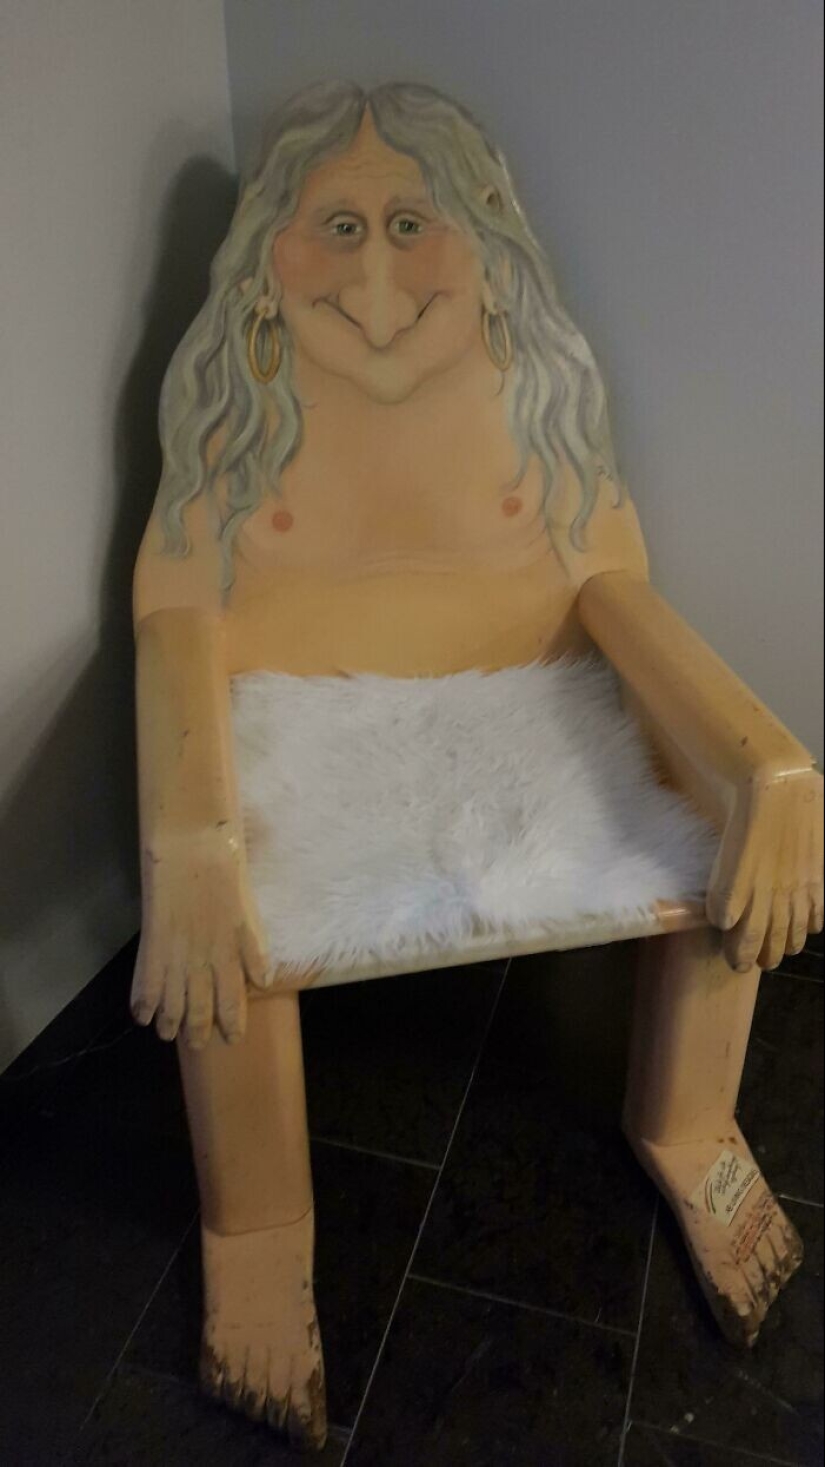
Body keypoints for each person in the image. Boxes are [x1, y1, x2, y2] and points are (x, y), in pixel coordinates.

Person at [130, 82, 823, 1446]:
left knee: (732, 810)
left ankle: (690, 1121)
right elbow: (174, 618)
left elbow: (610, 589)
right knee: (213, 882)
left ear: (485, 235)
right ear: (266, 247)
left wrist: (777, 775)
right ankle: (254, 1220)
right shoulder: (230, 422)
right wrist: (187, 838)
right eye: (337, 226)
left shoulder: (538, 398)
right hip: (302, 711)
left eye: (411, 223)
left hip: (527, 691)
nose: (376, 277)